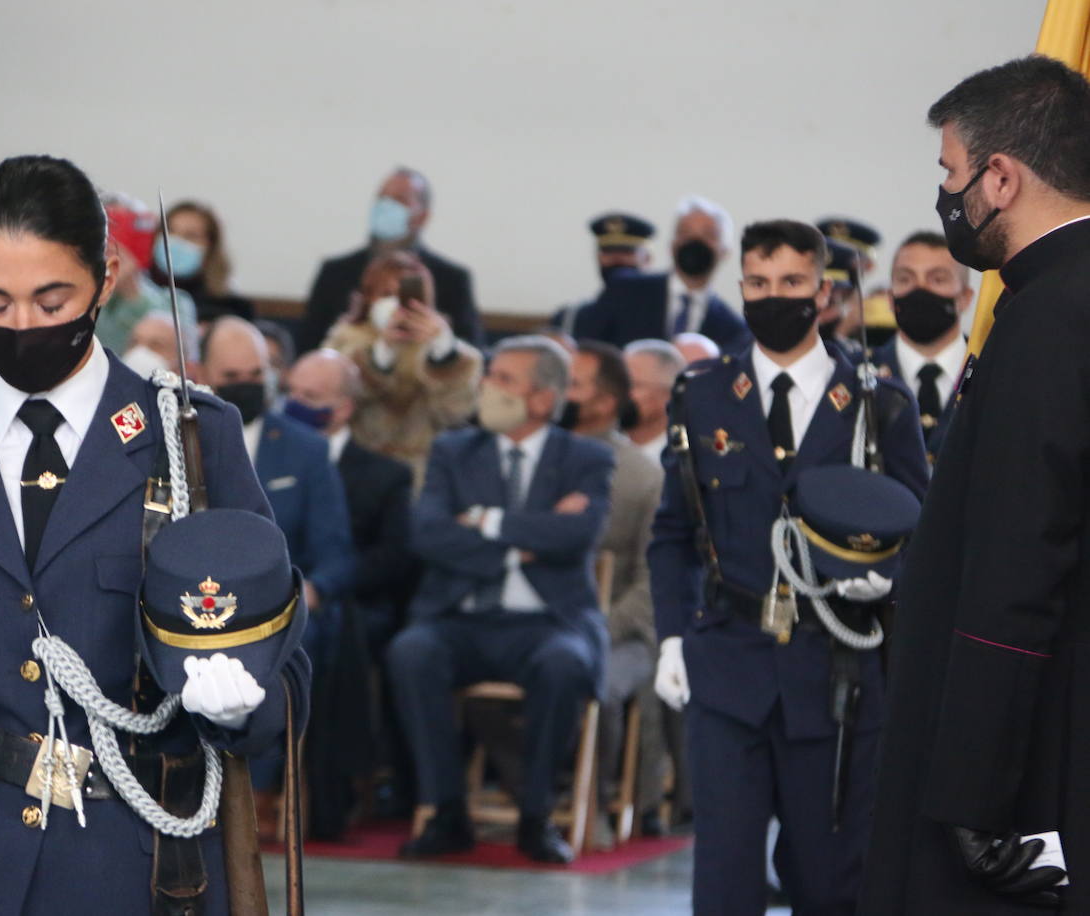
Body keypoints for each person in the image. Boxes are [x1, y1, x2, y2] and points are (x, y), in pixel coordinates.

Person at [0, 154, 308, 914]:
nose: (22, 326)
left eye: (50, 298)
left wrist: (245, 702)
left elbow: (288, 663)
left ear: (104, 281)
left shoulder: (192, 439)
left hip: (130, 864)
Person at [861, 56, 1090, 914]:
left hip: (1021, 759)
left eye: (951, 173)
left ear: (1000, 178)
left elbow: (1017, 565)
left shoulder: (1047, 318)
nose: (947, 195)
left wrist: (970, 791)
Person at [649, 219, 929, 913]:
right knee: (724, 876)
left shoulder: (877, 400)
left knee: (828, 876)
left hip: (835, 669)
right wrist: (672, 635)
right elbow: (672, 531)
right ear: (740, 286)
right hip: (729, 661)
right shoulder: (702, 393)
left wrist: (887, 579)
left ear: (824, 293)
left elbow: (923, 532)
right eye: (758, 283)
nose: (774, 296)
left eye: (792, 283)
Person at [388, 335, 614, 865]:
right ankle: (446, 812)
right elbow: (427, 535)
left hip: (547, 621)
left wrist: (487, 523)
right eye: (489, 376)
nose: (487, 387)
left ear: (541, 398)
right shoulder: (453, 450)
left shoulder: (586, 457)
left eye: (503, 380)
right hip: (460, 617)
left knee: (565, 665)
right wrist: (522, 547)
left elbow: (575, 537)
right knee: (410, 653)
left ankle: (536, 817)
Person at [284, 348, 414, 836]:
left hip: (359, 605)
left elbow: (395, 555)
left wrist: (328, 585)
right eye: (291, 393)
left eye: (310, 397)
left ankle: (326, 794)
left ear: (343, 408)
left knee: (336, 634)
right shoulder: (267, 455)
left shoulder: (384, 475)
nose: (296, 404)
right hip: (286, 596)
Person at [200, 317, 355, 662]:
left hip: (280, 610)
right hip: (192, 604)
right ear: (200, 373)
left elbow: (335, 554)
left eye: (256, 375)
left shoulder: (307, 449)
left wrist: (308, 593)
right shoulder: (174, 440)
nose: (246, 385)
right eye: (231, 377)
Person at [562, 340, 668, 837]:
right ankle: (533, 791)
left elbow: (653, 581)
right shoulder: (530, 455)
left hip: (618, 630)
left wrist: (597, 627)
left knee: (593, 683)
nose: (556, 391)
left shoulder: (640, 476)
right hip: (536, 623)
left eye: (572, 383)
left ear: (605, 401)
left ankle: (596, 800)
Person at [323, 251, 482, 487]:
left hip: (421, 472)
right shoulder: (344, 340)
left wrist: (444, 356)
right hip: (355, 467)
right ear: (369, 297)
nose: (398, 306)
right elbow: (336, 395)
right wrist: (382, 352)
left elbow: (455, 413)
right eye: (387, 294)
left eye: (408, 296)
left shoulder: (451, 351)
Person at [299, 167, 483, 352]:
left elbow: (473, 352)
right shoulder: (335, 272)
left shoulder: (453, 279)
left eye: (399, 200)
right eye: (382, 198)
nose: (386, 206)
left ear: (422, 217)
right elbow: (308, 347)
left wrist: (441, 340)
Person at [572, 196, 752, 353]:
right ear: (672, 243)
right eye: (685, 233)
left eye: (708, 235)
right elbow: (590, 351)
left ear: (726, 251)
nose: (695, 243)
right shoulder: (624, 291)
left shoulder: (733, 328)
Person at [870, 230, 972, 460]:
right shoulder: (860, 374)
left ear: (965, 297)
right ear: (890, 297)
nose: (920, 289)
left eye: (938, 279)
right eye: (905, 279)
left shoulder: (994, 372)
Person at [94, 192, 196, 354]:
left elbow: (184, 357)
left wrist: (132, 290)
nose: (114, 241)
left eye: (125, 228)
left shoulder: (177, 302)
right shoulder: (81, 299)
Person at [550, 213, 657, 335]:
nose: (616, 258)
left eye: (627, 251)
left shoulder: (665, 317)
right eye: (608, 251)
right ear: (598, 257)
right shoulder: (570, 318)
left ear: (648, 258)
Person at [150, 200, 255, 324]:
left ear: (211, 247)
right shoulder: (139, 288)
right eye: (169, 232)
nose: (174, 241)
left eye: (191, 236)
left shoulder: (229, 308)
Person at [623, 338, 686, 463]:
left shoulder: (683, 459)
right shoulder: (599, 443)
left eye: (633, 385)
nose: (621, 393)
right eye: (618, 383)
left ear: (668, 395)